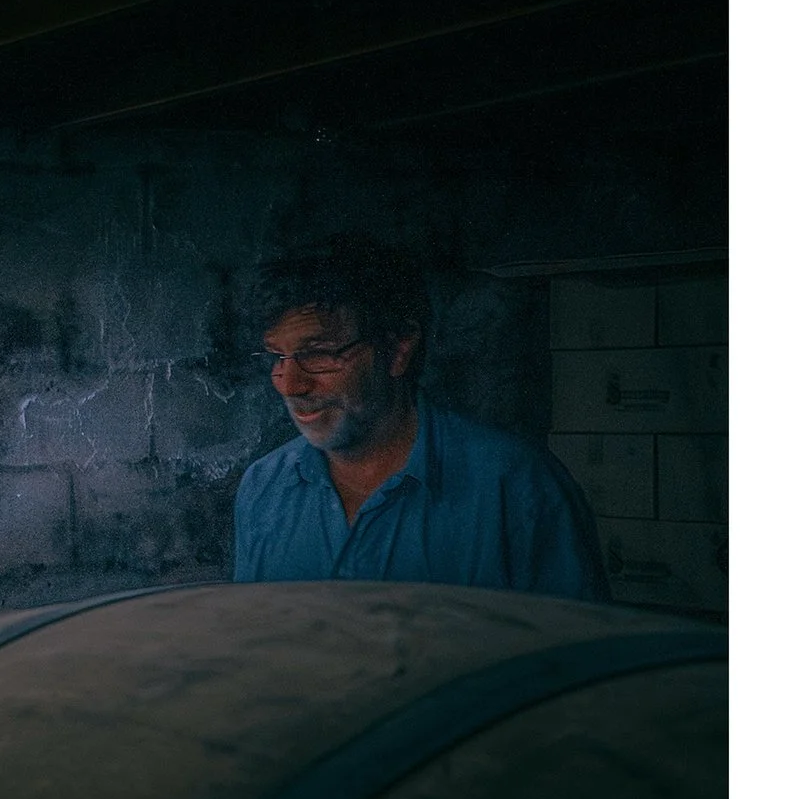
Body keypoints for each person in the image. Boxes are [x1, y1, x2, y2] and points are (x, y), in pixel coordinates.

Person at [233, 235, 609, 600]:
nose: (289, 385)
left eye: (318, 353)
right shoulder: (264, 489)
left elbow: (579, 656)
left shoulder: (517, 487)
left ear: (397, 350)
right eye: (276, 357)